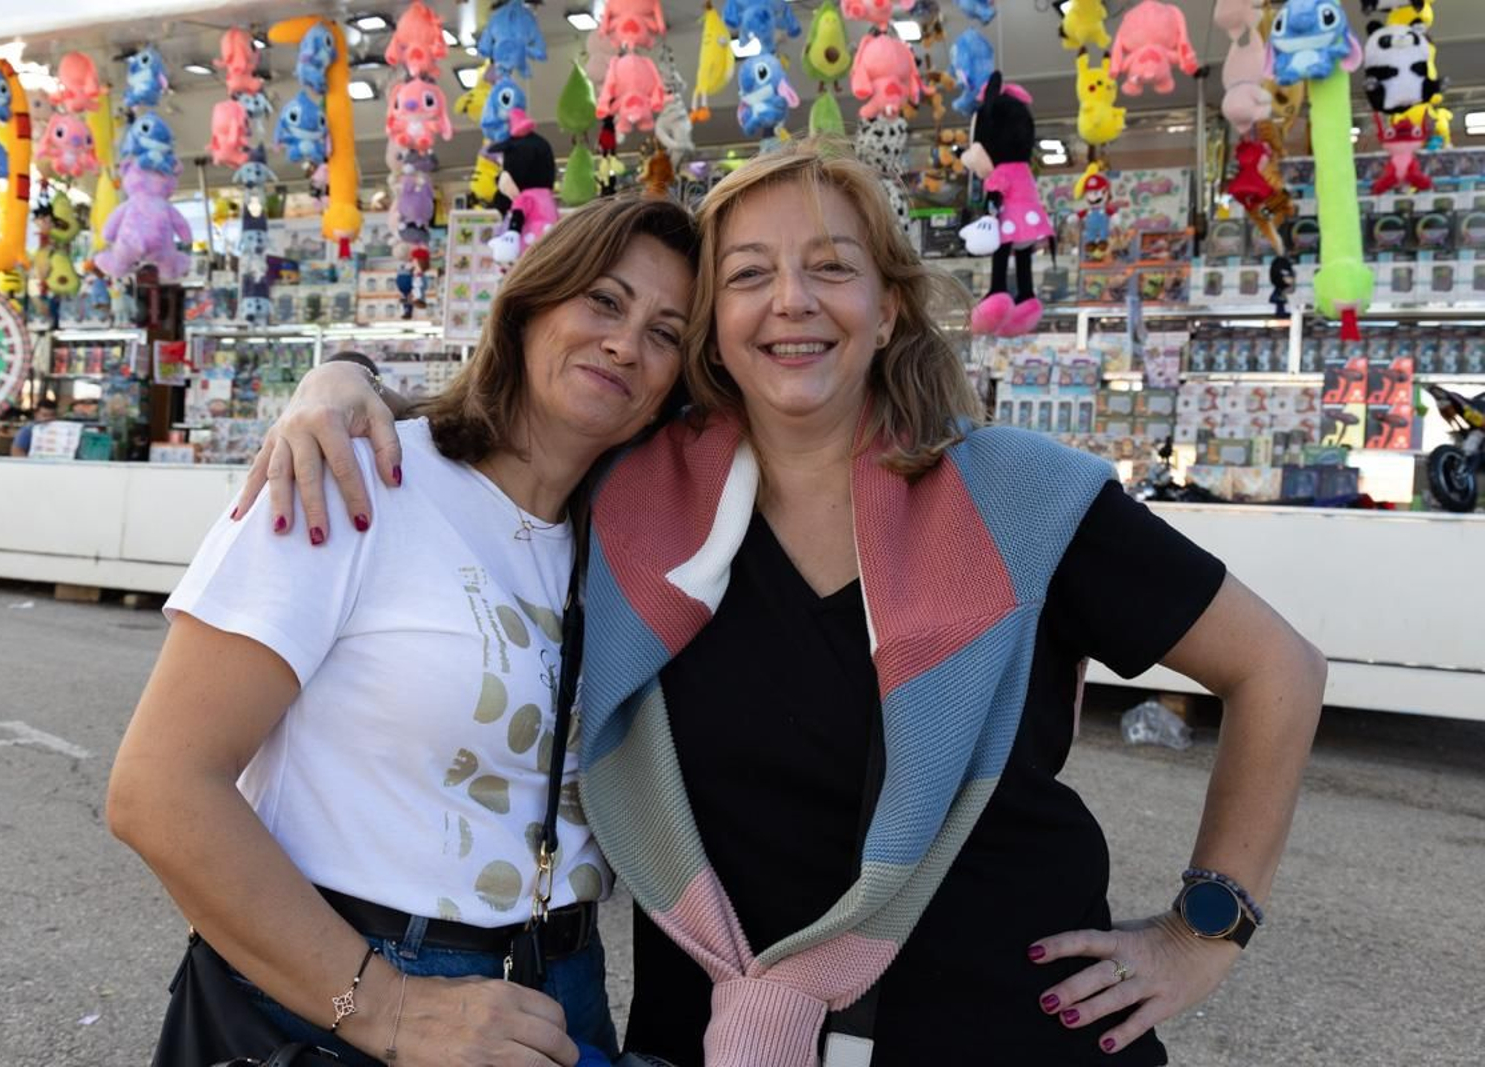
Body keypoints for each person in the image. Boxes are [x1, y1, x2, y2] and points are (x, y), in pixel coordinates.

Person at [238, 143, 1325, 1066]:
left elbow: (1277, 668)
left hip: (1002, 1024)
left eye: (830, 268)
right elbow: (500, 428)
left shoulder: (1020, 494)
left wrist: (1204, 930)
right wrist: (339, 375)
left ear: (888, 304)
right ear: (713, 326)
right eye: (749, 274)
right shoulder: (633, 501)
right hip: (712, 1026)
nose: (791, 301)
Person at [107, 193, 698, 1067]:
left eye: (667, 332)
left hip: (558, 992)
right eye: (604, 301)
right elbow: (159, 787)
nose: (626, 343)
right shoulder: (358, 474)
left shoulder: (627, 547)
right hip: (346, 989)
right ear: (532, 304)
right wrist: (386, 1008)